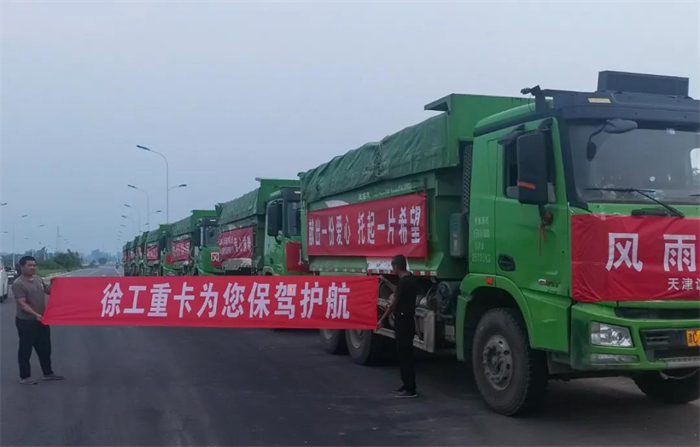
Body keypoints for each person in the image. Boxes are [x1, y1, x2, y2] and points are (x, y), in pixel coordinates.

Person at [12, 256, 64, 385]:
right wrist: (35, 314)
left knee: (45, 348)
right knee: (25, 349)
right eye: (29, 265)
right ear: (22, 267)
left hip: (41, 319)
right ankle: (25, 376)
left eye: (34, 265)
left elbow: (49, 291)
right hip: (26, 321)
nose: (33, 267)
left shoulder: (38, 279)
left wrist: (53, 283)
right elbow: (22, 304)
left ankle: (48, 372)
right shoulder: (18, 284)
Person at [377, 254, 417, 398]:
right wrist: (386, 281)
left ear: (395, 267)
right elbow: (397, 290)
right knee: (406, 355)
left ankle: (410, 389)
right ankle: (406, 385)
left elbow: (393, 303)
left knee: (404, 355)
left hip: (403, 322)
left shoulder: (404, 282)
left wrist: (382, 319)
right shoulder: (410, 279)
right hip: (409, 321)